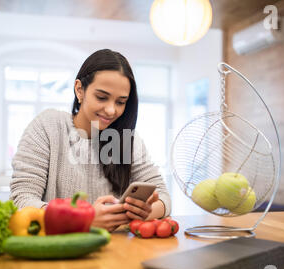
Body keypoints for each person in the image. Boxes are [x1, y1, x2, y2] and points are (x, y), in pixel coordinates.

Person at [10, 49, 171, 232]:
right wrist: (83, 219)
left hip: (114, 251)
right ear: (80, 89)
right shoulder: (48, 126)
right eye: (102, 97)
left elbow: (164, 197)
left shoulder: (127, 139)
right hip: (57, 252)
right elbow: (22, 201)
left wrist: (144, 211)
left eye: (120, 102)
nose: (111, 110)